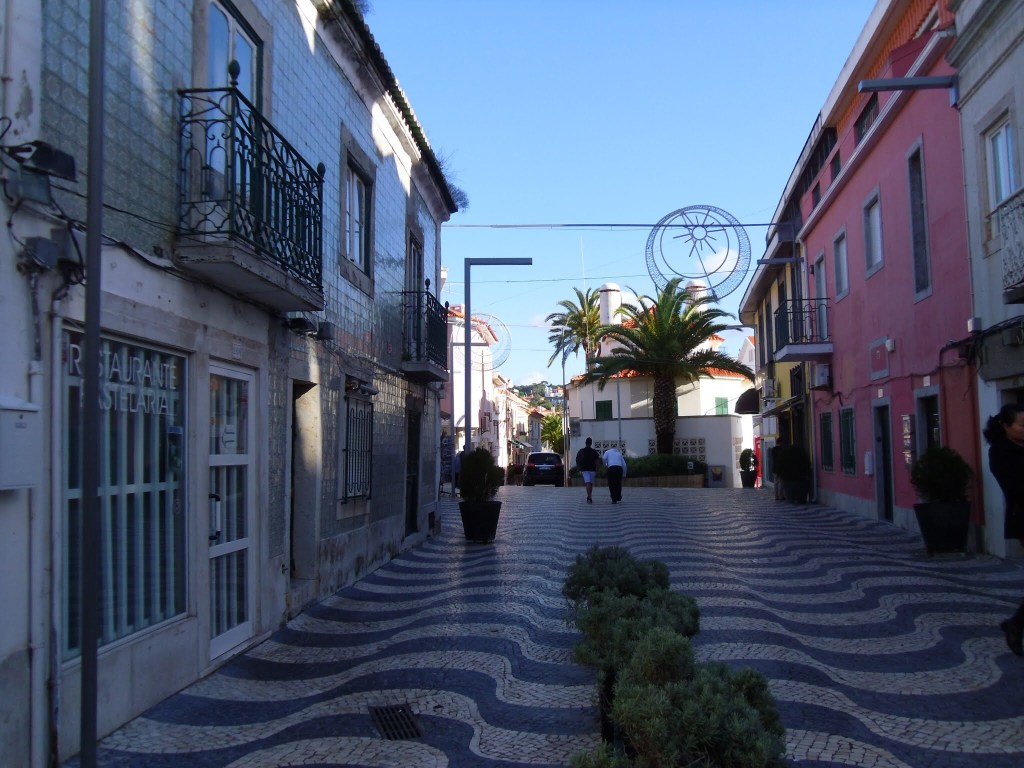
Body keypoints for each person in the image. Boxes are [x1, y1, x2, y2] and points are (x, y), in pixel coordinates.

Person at [984, 403, 1024, 656]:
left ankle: (1016, 624)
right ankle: (1015, 624)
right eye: (1021, 424)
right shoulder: (1000, 453)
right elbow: (1016, 486)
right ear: (1006, 427)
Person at [575, 437, 602, 504]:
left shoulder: (581, 451)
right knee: (590, 483)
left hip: (584, 469)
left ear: (585, 443)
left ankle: (589, 497)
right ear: (591, 443)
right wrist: (598, 469)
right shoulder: (594, 451)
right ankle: (589, 496)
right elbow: (597, 461)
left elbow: (577, 460)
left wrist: (579, 467)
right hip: (592, 469)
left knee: (588, 482)